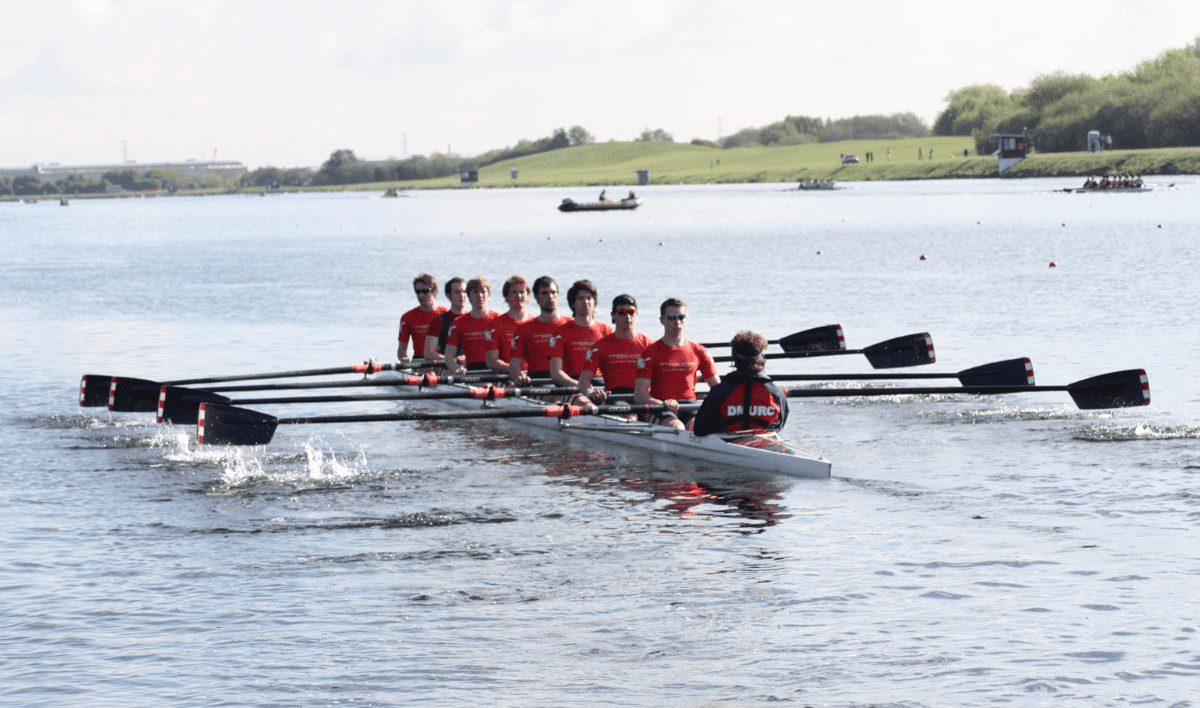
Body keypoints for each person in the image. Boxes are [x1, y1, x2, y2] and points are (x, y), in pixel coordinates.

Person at [634, 297, 720, 430]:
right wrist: (661, 404)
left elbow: (717, 389)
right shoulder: (650, 353)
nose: (677, 322)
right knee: (677, 427)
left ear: (686, 319)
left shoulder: (700, 351)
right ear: (662, 320)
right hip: (660, 407)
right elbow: (640, 395)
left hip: (690, 405)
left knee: (697, 427)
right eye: (672, 317)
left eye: (681, 317)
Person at [693, 331, 789, 437]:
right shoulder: (777, 392)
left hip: (726, 446)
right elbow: (779, 427)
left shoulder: (719, 391)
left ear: (734, 358)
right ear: (761, 358)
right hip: (766, 444)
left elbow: (699, 429)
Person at [577, 294, 651, 405]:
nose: (627, 317)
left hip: (645, 398)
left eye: (631, 312)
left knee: (675, 423)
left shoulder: (649, 345)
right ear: (613, 316)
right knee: (631, 417)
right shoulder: (600, 347)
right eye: (622, 312)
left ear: (636, 314)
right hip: (616, 397)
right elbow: (584, 380)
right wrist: (590, 393)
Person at [549, 280, 613, 389]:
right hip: (574, 383)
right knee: (585, 403)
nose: (586, 302)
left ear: (594, 302)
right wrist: (581, 385)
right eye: (580, 298)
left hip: (601, 384)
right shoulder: (560, 332)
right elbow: (556, 373)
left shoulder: (606, 330)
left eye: (589, 298)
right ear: (572, 304)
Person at [509, 276, 571, 385]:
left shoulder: (571, 325)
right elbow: (514, 367)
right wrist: (520, 377)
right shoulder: (524, 329)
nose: (550, 297)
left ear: (558, 295)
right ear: (537, 297)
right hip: (538, 381)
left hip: (568, 381)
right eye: (544, 293)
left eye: (553, 292)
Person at [444, 276, 501, 374]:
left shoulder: (499, 320)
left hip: (497, 370)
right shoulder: (458, 323)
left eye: (483, 292)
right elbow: (448, 356)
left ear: (489, 295)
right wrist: (456, 369)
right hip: (472, 371)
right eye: (475, 292)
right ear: (468, 296)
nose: (480, 296)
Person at [484, 275, 532, 373]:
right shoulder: (495, 325)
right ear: (506, 296)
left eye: (522, 292)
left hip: (534, 376)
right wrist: (515, 370)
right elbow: (492, 362)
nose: (518, 296)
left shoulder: (537, 322)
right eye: (514, 292)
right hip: (507, 376)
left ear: (528, 295)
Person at [397, 274, 447, 362]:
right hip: (419, 362)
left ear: (435, 291)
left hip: (441, 361)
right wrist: (404, 359)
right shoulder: (407, 317)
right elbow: (401, 351)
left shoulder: (446, 314)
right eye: (418, 291)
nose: (420, 295)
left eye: (425, 291)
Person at [423, 277, 467, 367]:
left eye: (464, 291)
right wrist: (451, 359)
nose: (462, 295)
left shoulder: (474, 319)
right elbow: (428, 352)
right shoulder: (439, 321)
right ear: (448, 296)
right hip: (449, 367)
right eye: (457, 292)